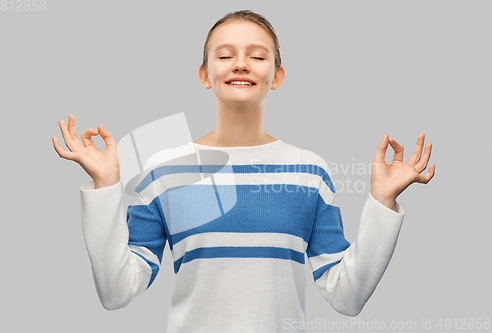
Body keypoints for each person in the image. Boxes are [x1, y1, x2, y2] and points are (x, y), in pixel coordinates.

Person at [52, 9, 435, 333]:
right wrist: (105, 185)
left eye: (257, 55)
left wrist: (383, 200)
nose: (240, 63)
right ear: (204, 75)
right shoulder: (164, 171)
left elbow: (347, 296)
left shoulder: (309, 172)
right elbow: (117, 291)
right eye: (224, 55)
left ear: (277, 76)